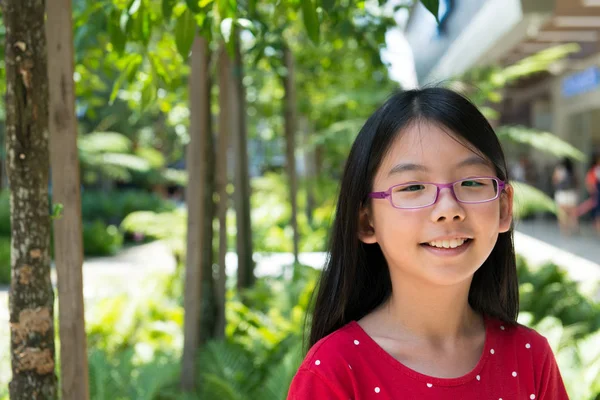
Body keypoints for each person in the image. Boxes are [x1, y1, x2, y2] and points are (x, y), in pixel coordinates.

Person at [287, 88, 568, 399]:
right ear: (366, 221)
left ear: (503, 208)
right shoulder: (333, 371)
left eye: (471, 182)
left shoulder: (531, 357)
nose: (448, 209)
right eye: (414, 187)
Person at [552, 157, 579, 235]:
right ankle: (573, 228)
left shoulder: (559, 169)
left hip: (561, 193)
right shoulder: (573, 170)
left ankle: (565, 231)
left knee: (562, 213)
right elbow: (577, 181)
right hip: (571, 193)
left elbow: (554, 181)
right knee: (572, 213)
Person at [585, 152, 600, 235]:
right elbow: (589, 182)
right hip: (597, 194)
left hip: (597, 193)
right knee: (597, 212)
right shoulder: (595, 170)